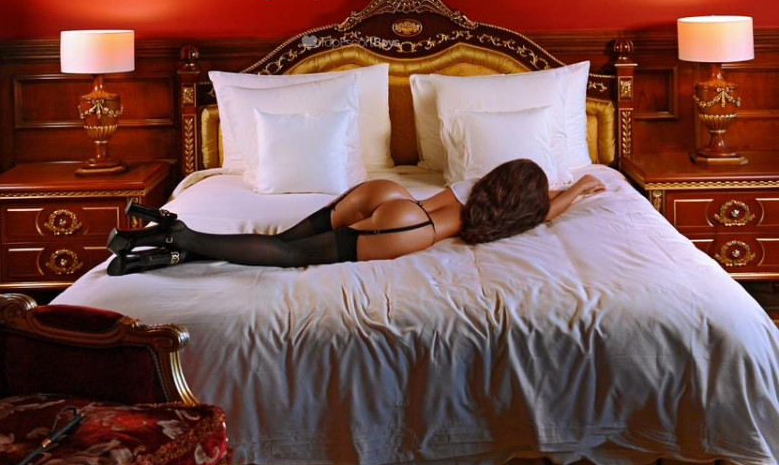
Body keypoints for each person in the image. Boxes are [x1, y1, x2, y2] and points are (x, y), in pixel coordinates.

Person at [106, 159, 606, 276]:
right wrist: (579, 188)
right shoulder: (513, 214)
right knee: (285, 256)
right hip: (410, 229)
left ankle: (158, 249)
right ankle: (182, 235)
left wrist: (567, 185)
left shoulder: (480, 184)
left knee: (284, 241)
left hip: (390, 193)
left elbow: (537, 193)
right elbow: (546, 207)